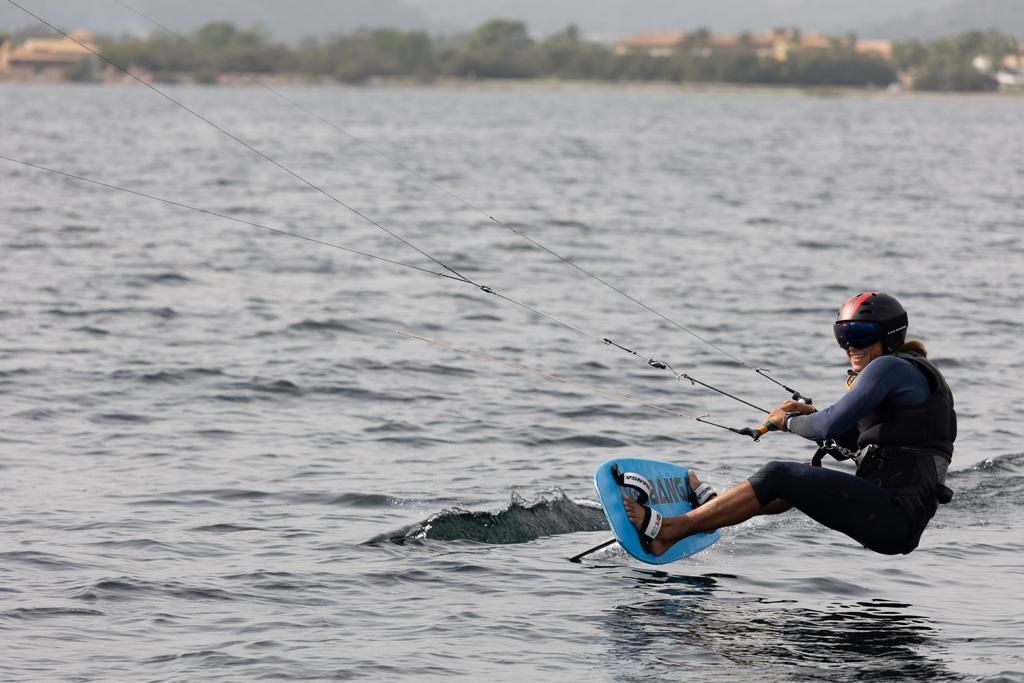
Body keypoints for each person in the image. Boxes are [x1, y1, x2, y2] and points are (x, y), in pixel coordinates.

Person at [624, 291, 956, 556]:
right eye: (843, 336)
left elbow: (829, 426)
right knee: (792, 483)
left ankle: (670, 530)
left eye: (861, 334)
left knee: (779, 474)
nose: (851, 346)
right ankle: (711, 514)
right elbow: (848, 439)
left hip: (895, 512)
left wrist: (789, 421)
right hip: (891, 512)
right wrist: (809, 418)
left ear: (889, 336)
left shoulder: (890, 368)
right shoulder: (903, 374)